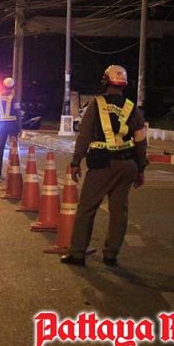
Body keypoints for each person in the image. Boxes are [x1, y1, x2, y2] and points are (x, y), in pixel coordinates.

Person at [61, 65, 147, 267]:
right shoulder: (132, 108)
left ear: (105, 82)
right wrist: (141, 169)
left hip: (102, 164)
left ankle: (77, 253)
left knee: (86, 209)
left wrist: (76, 162)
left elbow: (84, 136)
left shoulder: (96, 104)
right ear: (124, 85)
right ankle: (111, 255)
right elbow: (141, 141)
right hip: (127, 165)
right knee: (119, 212)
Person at [0, 77, 22, 176]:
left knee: (0, 147)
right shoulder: (14, 97)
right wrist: (20, 128)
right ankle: (13, 169)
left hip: (2, 125)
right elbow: (18, 113)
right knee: (13, 147)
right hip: (12, 125)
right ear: (12, 87)